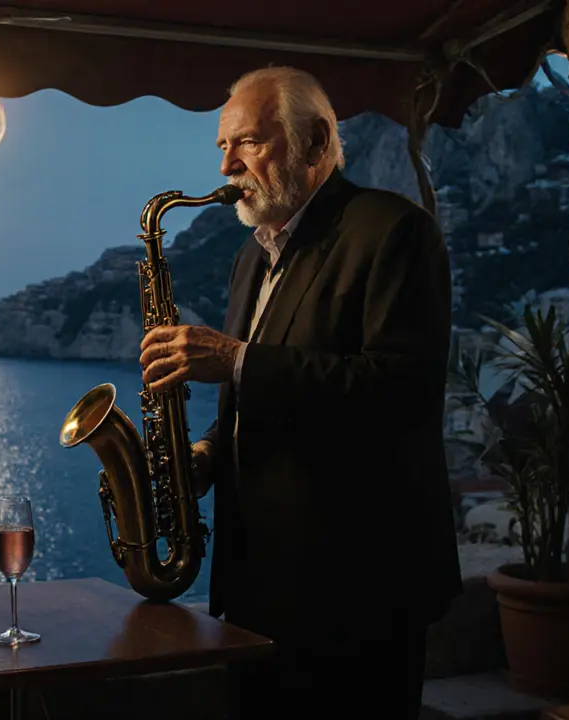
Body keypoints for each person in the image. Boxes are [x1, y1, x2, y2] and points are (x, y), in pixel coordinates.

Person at [139, 66, 462, 718]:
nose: (228, 163)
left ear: (315, 143)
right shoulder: (250, 256)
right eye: (222, 146)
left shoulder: (394, 230)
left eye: (250, 142)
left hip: (358, 595)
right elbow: (254, 400)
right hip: (259, 587)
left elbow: (402, 388)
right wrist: (203, 455)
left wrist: (234, 359)